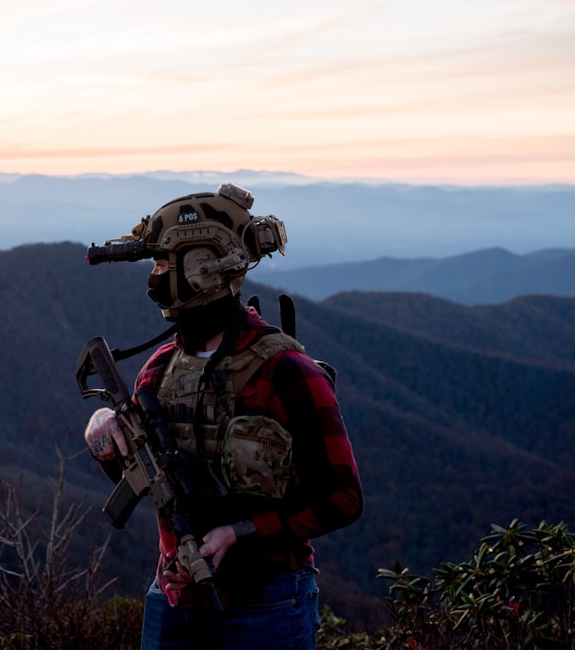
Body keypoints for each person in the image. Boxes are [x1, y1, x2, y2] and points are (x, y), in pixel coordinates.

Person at [83, 183, 364, 650]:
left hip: (266, 605)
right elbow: (146, 479)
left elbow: (343, 497)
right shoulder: (159, 371)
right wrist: (103, 434)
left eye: (160, 263)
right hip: (173, 599)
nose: (153, 277)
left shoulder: (286, 371)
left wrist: (242, 533)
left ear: (200, 268)